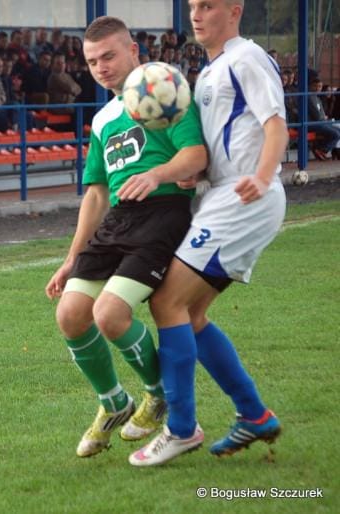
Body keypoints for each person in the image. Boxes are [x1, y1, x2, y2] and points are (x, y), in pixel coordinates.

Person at [127, 0, 287, 467]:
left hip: (244, 198)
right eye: (193, 6)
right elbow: (224, 141)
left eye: (208, 6)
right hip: (220, 195)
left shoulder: (247, 58)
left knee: (166, 302)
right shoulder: (212, 70)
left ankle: (179, 429)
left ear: (234, 10)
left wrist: (261, 175)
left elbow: (275, 126)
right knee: (190, 314)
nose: (196, 15)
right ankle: (255, 415)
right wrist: (193, 177)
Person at [44, 16, 207, 458]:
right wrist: (70, 258)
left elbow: (196, 154)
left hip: (163, 215)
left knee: (110, 315)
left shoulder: (165, 90)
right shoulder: (102, 119)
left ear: (133, 50)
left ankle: (159, 395)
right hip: (118, 219)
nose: (101, 67)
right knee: (71, 314)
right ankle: (114, 403)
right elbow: (96, 194)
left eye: (109, 56)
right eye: (92, 61)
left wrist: (158, 174)